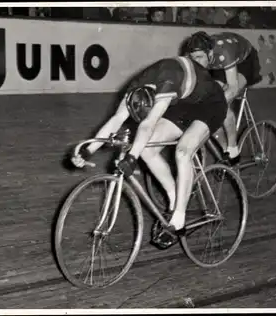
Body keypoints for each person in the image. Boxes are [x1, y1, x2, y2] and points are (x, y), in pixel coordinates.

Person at [71, 55, 228, 249]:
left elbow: (147, 125)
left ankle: (179, 219)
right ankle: (174, 197)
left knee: (182, 152)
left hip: (210, 104)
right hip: (182, 103)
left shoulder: (167, 83)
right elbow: (116, 119)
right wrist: (87, 151)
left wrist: (131, 158)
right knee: (146, 149)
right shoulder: (135, 88)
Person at [184, 31, 263, 165]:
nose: (195, 62)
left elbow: (232, 89)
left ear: (209, 53)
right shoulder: (200, 57)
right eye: (193, 58)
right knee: (208, 104)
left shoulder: (224, 52)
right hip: (219, 63)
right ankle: (224, 149)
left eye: (199, 57)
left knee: (221, 104)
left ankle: (233, 149)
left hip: (245, 61)